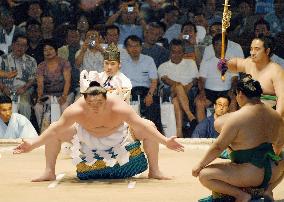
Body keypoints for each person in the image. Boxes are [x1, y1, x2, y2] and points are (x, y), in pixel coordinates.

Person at [13, 42, 184, 182]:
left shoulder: (119, 98)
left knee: (148, 125)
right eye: (90, 101)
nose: (95, 104)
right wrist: (32, 145)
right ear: (85, 98)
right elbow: (55, 129)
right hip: (87, 134)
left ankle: (155, 170)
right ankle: (49, 171)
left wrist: (165, 141)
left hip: (118, 132)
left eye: (99, 101)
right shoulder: (79, 106)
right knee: (56, 128)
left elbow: (140, 124)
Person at [192, 75, 284, 201]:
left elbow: (218, 146)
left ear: (240, 94)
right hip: (274, 172)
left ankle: (241, 195)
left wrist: (200, 165)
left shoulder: (237, 118)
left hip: (250, 174)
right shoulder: (276, 116)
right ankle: (268, 190)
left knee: (205, 175)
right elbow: (279, 146)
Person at [220, 36, 284, 117]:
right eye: (251, 49)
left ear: (267, 51)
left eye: (257, 49)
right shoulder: (250, 61)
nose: (252, 52)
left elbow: (282, 97)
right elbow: (237, 65)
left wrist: (276, 118)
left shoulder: (277, 69)